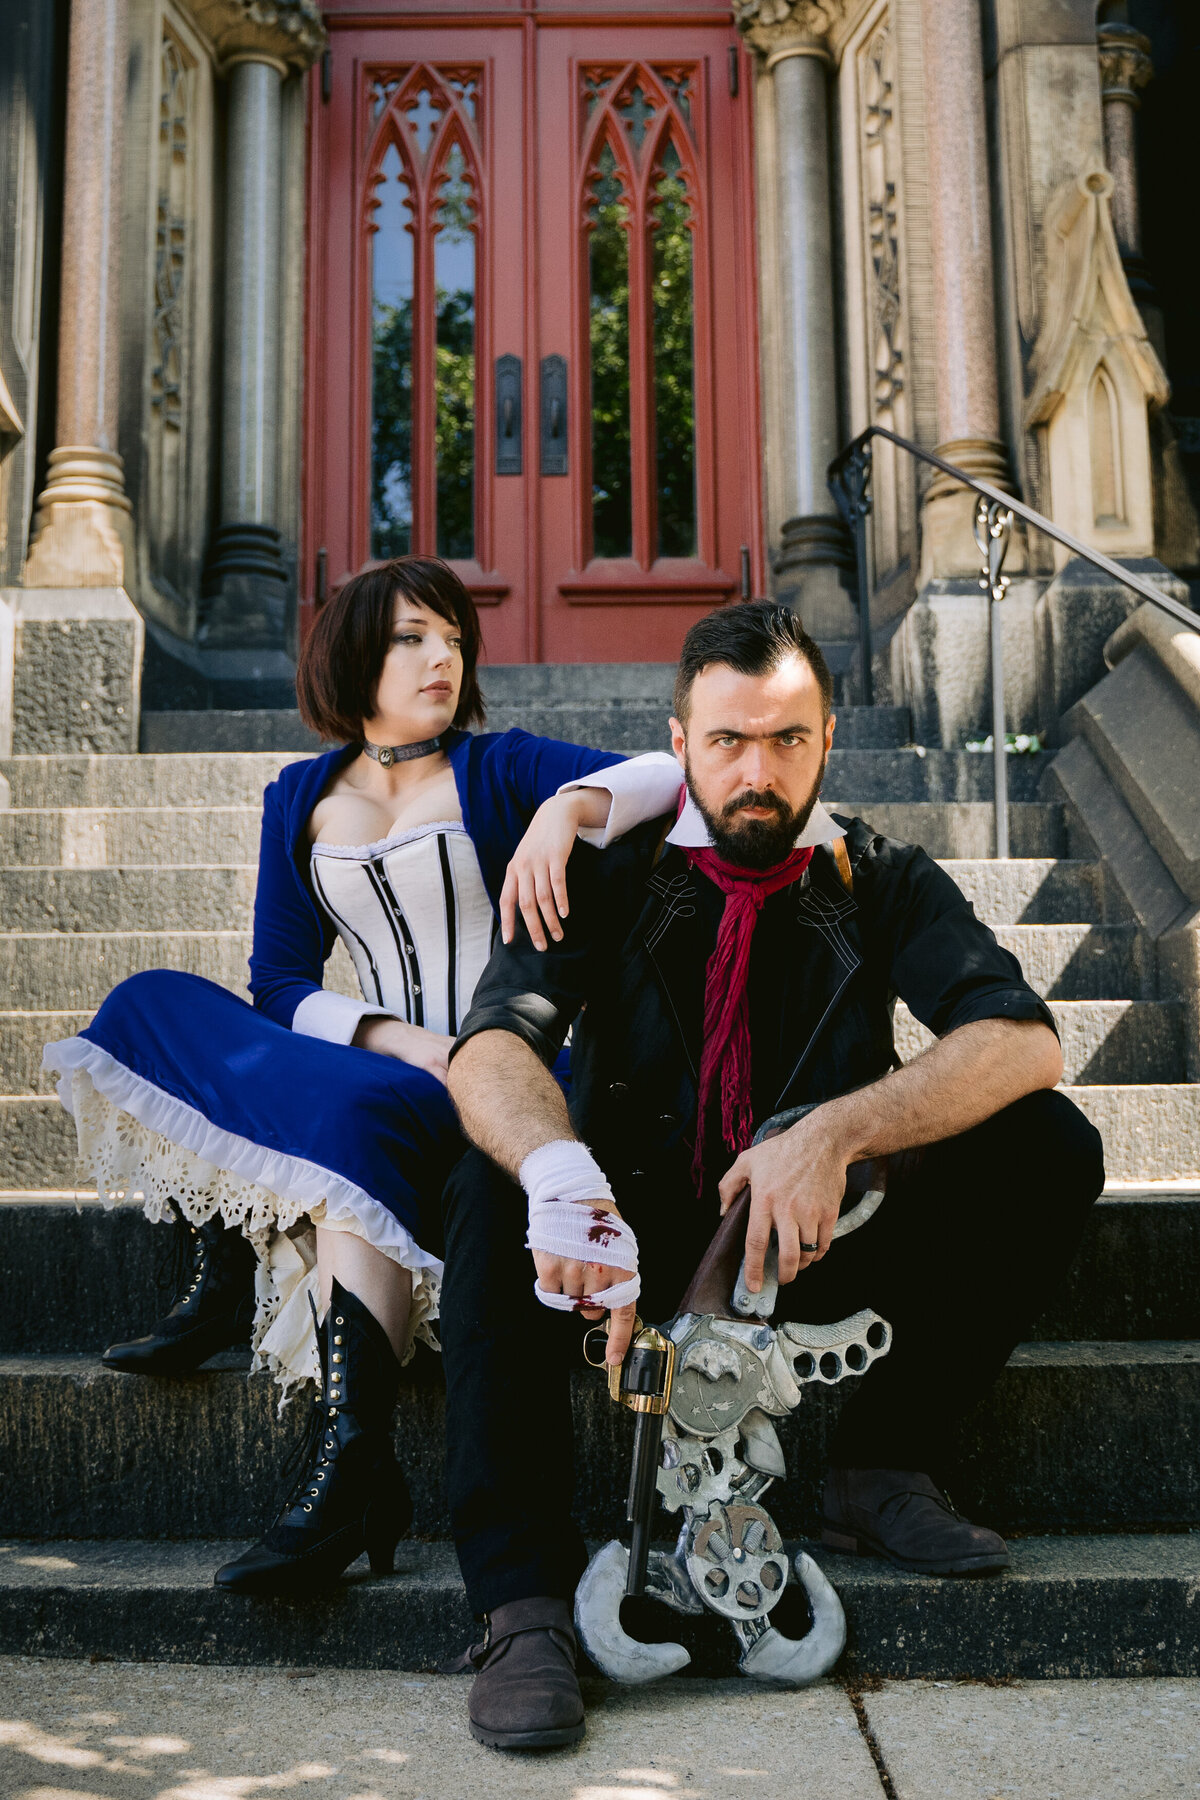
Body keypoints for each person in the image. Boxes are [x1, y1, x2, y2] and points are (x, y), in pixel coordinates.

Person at [439, 600, 1105, 1751]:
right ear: (678, 742)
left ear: (829, 741)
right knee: (488, 1184)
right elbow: (495, 1040)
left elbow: (1022, 1037)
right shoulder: (605, 873)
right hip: (621, 1255)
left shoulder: (882, 875)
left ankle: (879, 1469)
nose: (759, 769)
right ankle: (523, 1604)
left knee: (1050, 1143)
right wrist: (557, 1172)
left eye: (787, 740)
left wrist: (835, 1134)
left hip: (814, 1240)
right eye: (729, 741)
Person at [43, 556, 680, 1597]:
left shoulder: (501, 767)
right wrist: (400, 1037)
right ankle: (291, 1353)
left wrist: (568, 811)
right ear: (350, 657)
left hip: (507, 1084)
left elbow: (672, 774)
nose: (441, 655)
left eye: (449, 635)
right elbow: (281, 983)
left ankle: (334, 1440)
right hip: (379, 1074)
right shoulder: (299, 796)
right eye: (407, 638)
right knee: (156, 1002)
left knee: (342, 1114)